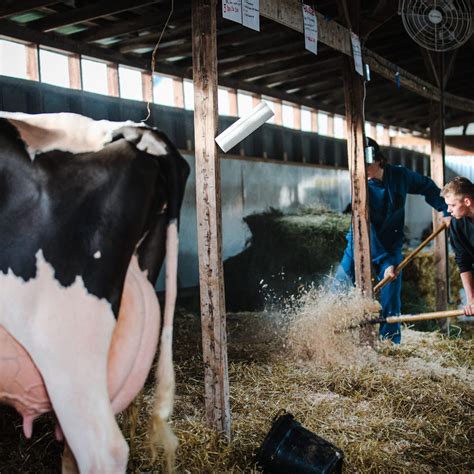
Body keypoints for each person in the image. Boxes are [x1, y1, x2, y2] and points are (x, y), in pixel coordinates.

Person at [335, 138, 451, 343]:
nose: (363, 171)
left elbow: (426, 186)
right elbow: (367, 230)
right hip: (360, 243)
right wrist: (386, 262)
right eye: (358, 167)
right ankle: (332, 335)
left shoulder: (400, 176)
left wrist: (444, 209)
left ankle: (389, 342)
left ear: (378, 160)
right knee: (340, 287)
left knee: (391, 296)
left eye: (366, 165)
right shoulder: (361, 189)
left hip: (391, 243)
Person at [441, 177, 474, 315]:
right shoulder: (457, 224)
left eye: (452, 205)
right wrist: (471, 299)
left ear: (467, 201)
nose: (448, 210)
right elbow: (463, 262)